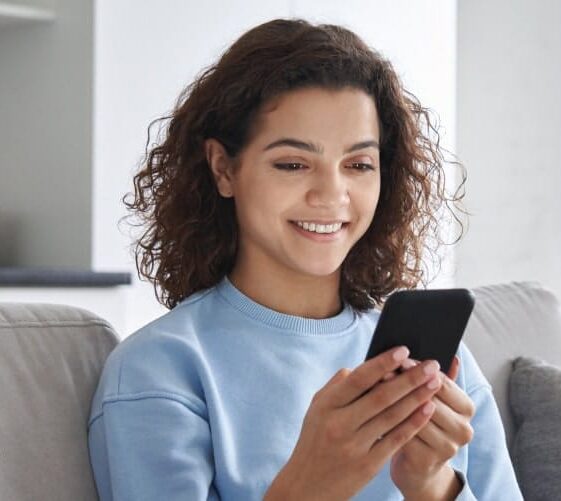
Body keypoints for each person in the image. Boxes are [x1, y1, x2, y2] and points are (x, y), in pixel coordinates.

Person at [87, 18, 523, 500]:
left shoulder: (441, 369)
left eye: (359, 165)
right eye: (293, 164)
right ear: (223, 168)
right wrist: (311, 483)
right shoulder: (159, 371)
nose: (332, 195)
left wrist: (432, 485)